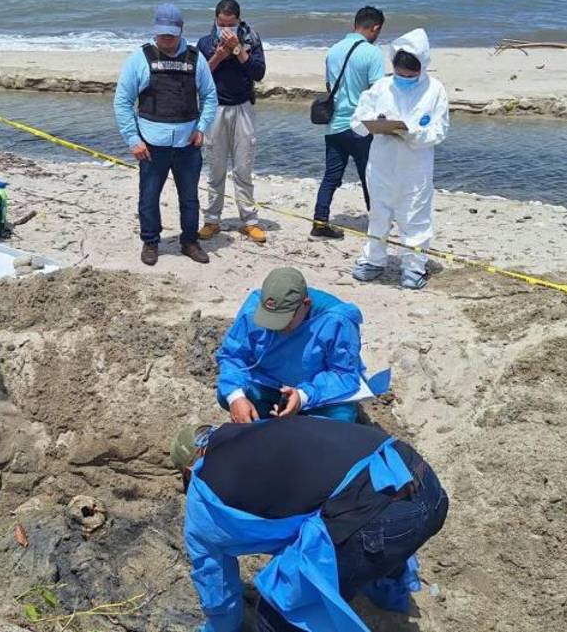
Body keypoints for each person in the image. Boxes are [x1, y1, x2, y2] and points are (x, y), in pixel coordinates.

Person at [173, 416, 448, 632]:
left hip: (379, 521)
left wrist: (219, 628)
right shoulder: (259, 431)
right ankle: (391, 594)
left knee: (278, 613)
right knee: (343, 518)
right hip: (421, 480)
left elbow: (216, 585)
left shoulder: (201, 497)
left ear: (188, 471)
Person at [113, 3, 218, 266]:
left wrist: (202, 128)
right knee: (149, 196)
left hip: (187, 144)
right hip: (151, 144)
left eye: (171, 34)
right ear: (155, 30)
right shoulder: (140, 59)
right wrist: (133, 139)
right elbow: (122, 102)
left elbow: (209, 96)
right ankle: (150, 242)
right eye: (162, 34)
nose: (167, 39)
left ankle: (189, 241)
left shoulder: (196, 59)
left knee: (190, 197)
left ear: (181, 30)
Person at [215, 267, 388, 424]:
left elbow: (344, 374)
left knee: (340, 420)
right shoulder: (253, 309)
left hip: (316, 393)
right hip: (268, 384)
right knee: (229, 396)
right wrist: (235, 397)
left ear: (305, 305)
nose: (276, 327)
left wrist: (302, 396)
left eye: (284, 321)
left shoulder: (337, 320)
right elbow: (232, 355)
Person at [350, 28, 450, 290]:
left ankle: (414, 266)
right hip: (382, 163)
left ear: (422, 67)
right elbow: (358, 121)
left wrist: (411, 132)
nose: (404, 78)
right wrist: (374, 125)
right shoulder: (382, 87)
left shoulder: (434, 90)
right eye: (400, 73)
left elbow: (438, 131)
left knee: (415, 217)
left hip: (415, 168)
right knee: (378, 214)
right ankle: (373, 260)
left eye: (410, 75)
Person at [196, 0, 267, 244]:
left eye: (231, 24)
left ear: (239, 21)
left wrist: (237, 50)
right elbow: (199, 76)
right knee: (215, 167)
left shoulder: (252, 40)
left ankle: (249, 220)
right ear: (215, 20)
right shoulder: (205, 43)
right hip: (215, 109)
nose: (226, 29)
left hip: (243, 108)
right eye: (221, 23)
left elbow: (258, 72)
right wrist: (218, 55)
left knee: (243, 167)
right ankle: (212, 219)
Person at [311, 6, 386, 240]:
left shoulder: (333, 51)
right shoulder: (372, 53)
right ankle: (377, 223)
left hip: (334, 125)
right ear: (375, 28)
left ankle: (320, 222)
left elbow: (329, 87)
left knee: (331, 177)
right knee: (370, 176)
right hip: (360, 126)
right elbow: (378, 91)